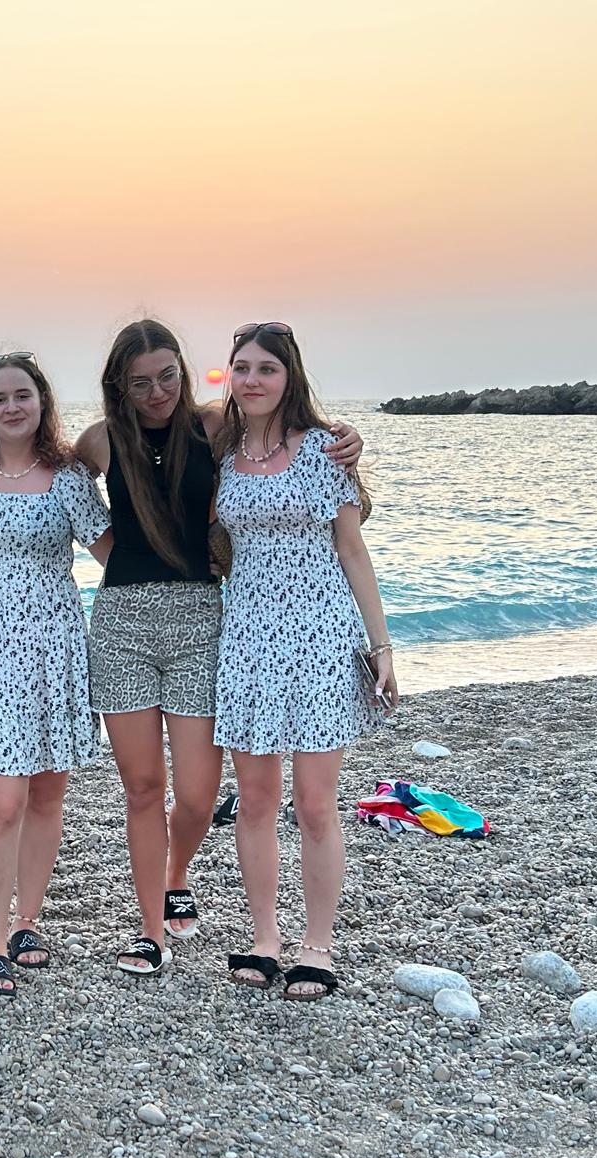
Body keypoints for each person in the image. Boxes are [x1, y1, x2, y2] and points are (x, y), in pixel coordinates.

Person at [74, 318, 363, 977]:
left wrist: (346, 439)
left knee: (200, 795)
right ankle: (152, 931)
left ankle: (177, 871)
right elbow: (42, 471)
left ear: (184, 373)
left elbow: (284, 449)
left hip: (203, 620)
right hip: (121, 623)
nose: (157, 393)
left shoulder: (212, 429)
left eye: (167, 377)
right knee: (143, 787)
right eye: (140, 383)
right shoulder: (99, 440)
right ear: (118, 385)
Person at [212, 321, 396, 1001]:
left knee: (316, 804)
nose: (252, 379)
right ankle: (265, 938)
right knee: (255, 800)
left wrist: (381, 647)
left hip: (320, 638)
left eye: (267, 368)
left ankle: (317, 944)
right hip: (247, 640)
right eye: (241, 368)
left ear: (290, 376)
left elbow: (352, 550)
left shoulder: (324, 451)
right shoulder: (222, 455)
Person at [0, 352, 112, 996]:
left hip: (55, 644)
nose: (12, 406)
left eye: (22, 395)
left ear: (41, 402)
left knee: (45, 795)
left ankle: (27, 921)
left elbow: (113, 552)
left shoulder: (68, 479)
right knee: (2, 802)